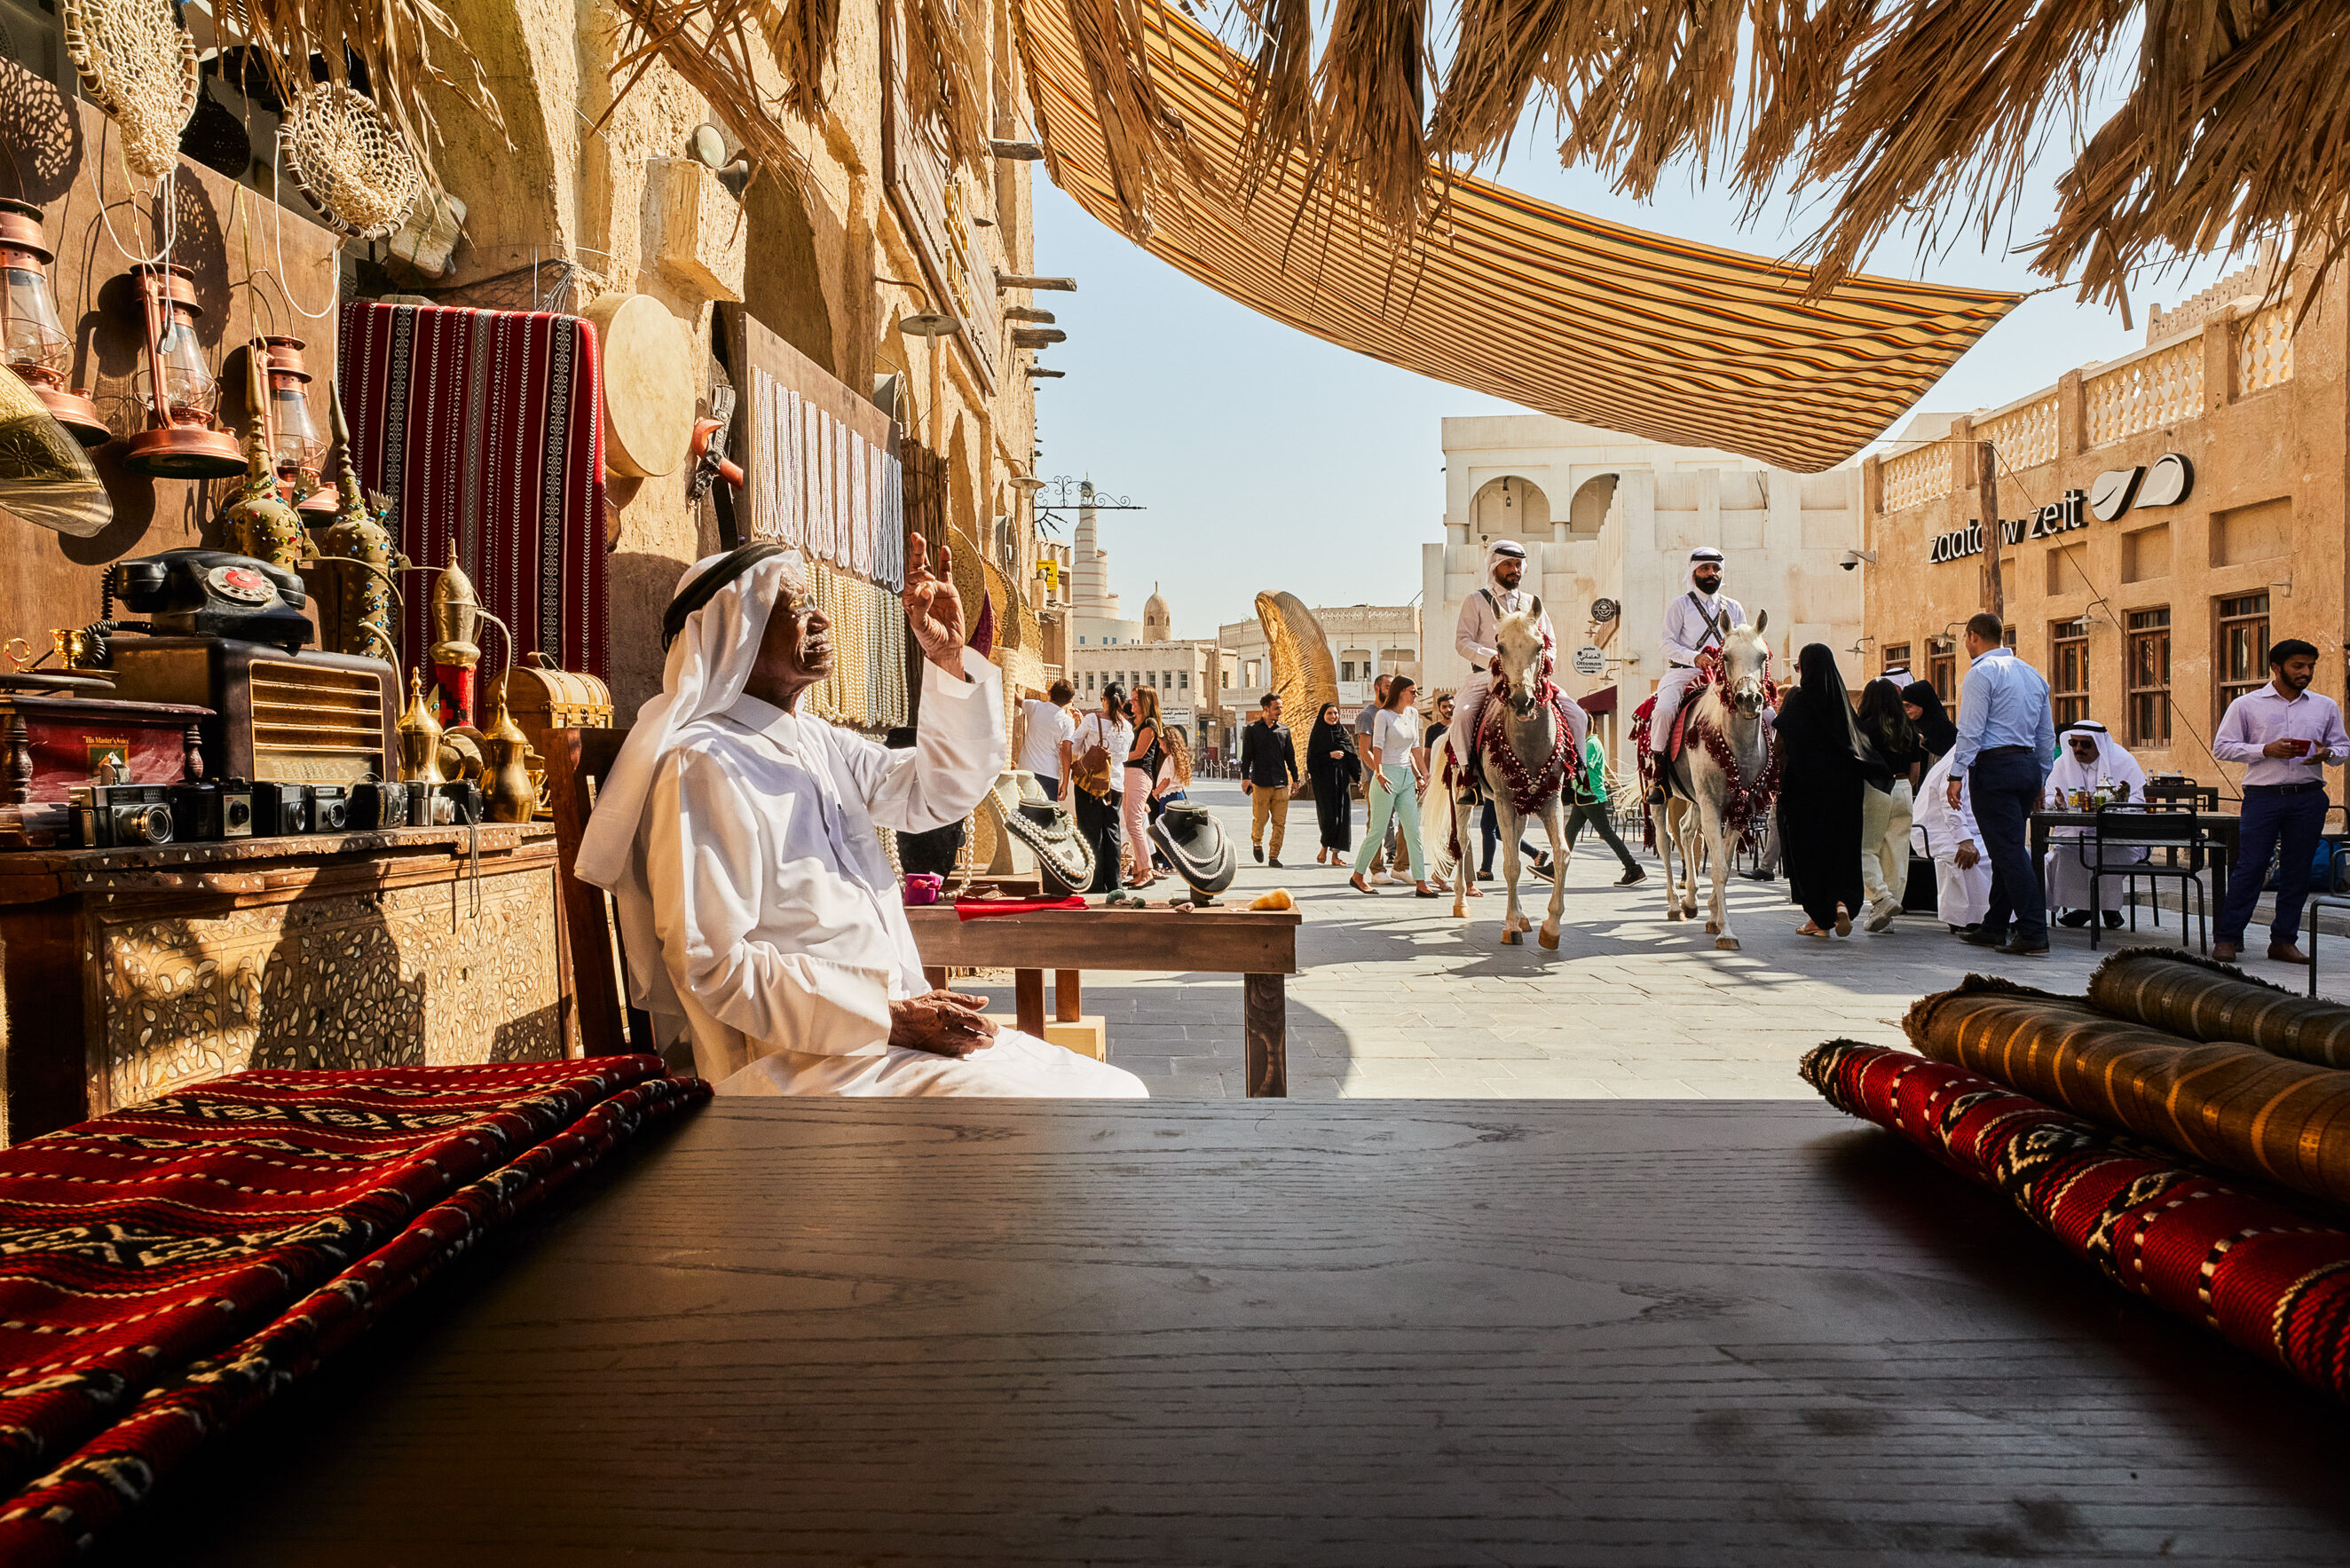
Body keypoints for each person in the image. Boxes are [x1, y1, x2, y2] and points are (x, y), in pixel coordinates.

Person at [575, 539, 1145, 1098]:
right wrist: (888, 1017)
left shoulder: (818, 742)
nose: (822, 617)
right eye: (796, 606)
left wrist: (946, 665)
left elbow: (936, 793)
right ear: (738, 632)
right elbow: (715, 966)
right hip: (807, 1065)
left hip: (898, 1041)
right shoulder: (702, 763)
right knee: (1061, 1120)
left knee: (1119, 1091)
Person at [2212, 638, 2350, 964]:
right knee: (2251, 867)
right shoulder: (2246, 705)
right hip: (2263, 797)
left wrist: (2326, 753)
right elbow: (2223, 747)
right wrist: (2265, 750)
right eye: (2298, 666)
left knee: (2297, 871)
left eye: (2310, 667)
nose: (2306, 673)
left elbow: (2343, 748)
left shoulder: (2325, 706)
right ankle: (2228, 939)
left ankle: (2284, 941)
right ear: (2276, 667)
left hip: (2308, 798)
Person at [1947, 611, 2057, 957]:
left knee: (2008, 851)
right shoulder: (2033, 674)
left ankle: (2033, 930)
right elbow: (2045, 735)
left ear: (1972, 636)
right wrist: (2041, 777)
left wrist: (1956, 773)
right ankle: (1995, 925)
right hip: (2025, 766)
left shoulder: (1981, 673)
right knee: (2006, 848)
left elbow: (1971, 730)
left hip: (1995, 767)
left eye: (1966, 639)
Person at [1771, 643, 1885, 937]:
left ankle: (1818, 919)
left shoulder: (1797, 703)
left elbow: (1780, 747)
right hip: (1844, 793)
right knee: (1842, 850)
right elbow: (1860, 746)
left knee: (1808, 854)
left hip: (1805, 794)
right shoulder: (1843, 706)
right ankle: (1842, 903)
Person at [1447, 540, 1558, 791]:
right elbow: (1462, 642)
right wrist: (1495, 659)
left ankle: (1577, 775)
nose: (1514, 570)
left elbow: (1550, 642)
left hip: (1529, 677)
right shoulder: (1476, 600)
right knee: (1462, 714)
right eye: (1508, 564)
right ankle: (1467, 775)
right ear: (1495, 566)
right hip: (1485, 675)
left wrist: (1542, 664)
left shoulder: (1533, 603)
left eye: (1518, 564)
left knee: (1575, 715)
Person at [1646, 547, 1747, 787]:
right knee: (1664, 710)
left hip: (1723, 677)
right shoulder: (1680, 605)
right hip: (1684, 673)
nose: (1711, 573)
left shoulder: (1734, 607)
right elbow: (1666, 643)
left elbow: (1742, 641)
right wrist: (1695, 657)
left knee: (1764, 712)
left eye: (1716, 569)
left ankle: (1764, 768)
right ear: (1693, 573)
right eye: (1705, 568)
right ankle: (1658, 772)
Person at [2043, 720, 2148, 928]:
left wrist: (2118, 803)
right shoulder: (2063, 763)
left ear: (2099, 744)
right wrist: (2056, 802)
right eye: (2074, 743)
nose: (2078, 749)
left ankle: (2105, 908)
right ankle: (2088, 908)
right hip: (2075, 833)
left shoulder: (2122, 761)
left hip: (2117, 835)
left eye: (2085, 744)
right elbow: (2048, 797)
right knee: (2065, 853)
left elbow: (2138, 802)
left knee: (2108, 853)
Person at [1350, 674, 1440, 897]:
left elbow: (1416, 747)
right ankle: (1358, 876)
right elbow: (1376, 747)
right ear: (1401, 692)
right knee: (1378, 831)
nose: (1416, 694)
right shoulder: (1383, 716)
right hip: (1386, 775)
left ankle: (1421, 883)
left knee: (1412, 831)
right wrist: (1378, 773)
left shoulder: (1412, 714)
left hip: (1406, 777)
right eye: (1413, 691)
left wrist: (1424, 773)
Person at [1857, 677, 1923, 933]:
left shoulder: (1864, 728)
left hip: (1876, 788)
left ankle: (1881, 898)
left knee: (1865, 849)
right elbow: (1915, 771)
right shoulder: (1908, 728)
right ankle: (1886, 916)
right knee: (1896, 854)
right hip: (1904, 788)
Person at [1912, 746, 1993, 932]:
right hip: (1938, 830)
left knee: (2008, 854)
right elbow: (1950, 805)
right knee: (1969, 857)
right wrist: (1964, 839)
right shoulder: (1954, 766)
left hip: (1972, 829)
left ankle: (1997, 916)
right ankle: (1966, 918)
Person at [1074, 683, 1133, 894]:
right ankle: (1114, 882)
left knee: (1090, 832)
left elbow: (1074, 745)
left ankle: (1094, 882)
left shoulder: (1092, 720)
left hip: (1090, 784)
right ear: (1124, 703)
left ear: (1104, 699)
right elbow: (1124, 757)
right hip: (1115, 784)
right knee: (1112, 831)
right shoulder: (1128, 728)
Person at [1565, 730, 1644, 886]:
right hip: (1583, 796)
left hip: (1591, 796)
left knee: (1606, 832)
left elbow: (1584, 768)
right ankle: (1556, 867)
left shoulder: (1590, 745)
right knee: (1570, 831)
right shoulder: (1590, 743)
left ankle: (1633, 868)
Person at [1239, 692, 1300, 867]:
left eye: (1280, 707)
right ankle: (1257, 842)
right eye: (1276, 708)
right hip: (1261, 783)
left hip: (1281, 783)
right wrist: (1245, 778)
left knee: (1280, 823)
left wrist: (1295, 780)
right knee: (1260, 819)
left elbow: (1290, 757)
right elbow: (1247, 757)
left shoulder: (1284, 730)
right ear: (1266, 709)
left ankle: (1274, 856)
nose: (1280, 711)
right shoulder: (1252, 730)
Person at [1120, 686, 1166, 889]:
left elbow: (1139, 753)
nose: (1131, 703)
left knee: (1134, 823)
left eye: (1136, 699)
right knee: (1132, 823)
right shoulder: (1135, 723)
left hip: (1139, 774)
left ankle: (1146, 871)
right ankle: (1139, 870)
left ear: (1146, 702)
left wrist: (1115, 757)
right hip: (1129, 774)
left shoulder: (1150, 724)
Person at [1306, 699, 1360, 864]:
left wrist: (1359, 779)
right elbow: (1311, 760)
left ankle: (1335, 856)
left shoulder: (1342, 733)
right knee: (1329, 816)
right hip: (1324, 782)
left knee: (1342, 816)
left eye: (1335, 713)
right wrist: (1330, 755)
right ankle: (1324, 848)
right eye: (1329, 713)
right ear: (1323, 715)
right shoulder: (1318, 734)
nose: (1333, 716)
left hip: (1341, 781)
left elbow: (1352, 757)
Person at [1015, 679, 1076, 800]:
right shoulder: (1068, 722)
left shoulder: (1034, 706)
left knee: (1023, 814)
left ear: (1049, 692)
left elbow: (1016, 699)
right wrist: (1065, 783)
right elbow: (1066, 752)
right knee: (1046, 816)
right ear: (1069, 702)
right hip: (1049, 773)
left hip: (1026, 769)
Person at [1902, 681, 1959, 767]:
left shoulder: (1943, 729)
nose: (1906, 710)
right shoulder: (1908, 726)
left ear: (1922, 703)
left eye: (1908, 706)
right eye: (1903, 706)